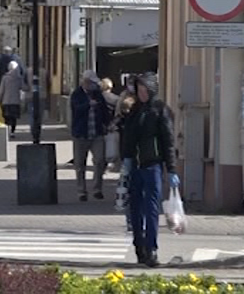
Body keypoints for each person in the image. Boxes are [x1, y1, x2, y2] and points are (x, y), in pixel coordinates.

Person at [121, 72, 179, 267]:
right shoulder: (134, 110)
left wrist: (171, 169)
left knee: (151, 208)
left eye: (145, 90)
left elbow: (168, 141)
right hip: (136, 167)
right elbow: (127, 138)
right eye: (139, 90)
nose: (142, 94)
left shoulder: (160, 110)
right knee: (135, 209)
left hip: (153, 165)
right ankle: (139, 248)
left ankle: (151, 249)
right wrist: (126, 160)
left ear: (152, 90)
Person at [71, 69, 111, 201]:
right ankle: (81, 191)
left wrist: (108, 123)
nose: (93, 86)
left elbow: (104, 110)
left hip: (97, 133)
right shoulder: (76, 94)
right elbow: (75, 110)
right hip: (81, 134)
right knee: (79, 164)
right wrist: (88, 105)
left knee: (100, 160)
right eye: (91, 83)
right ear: (85, 82)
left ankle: (97, 189)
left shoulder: (98, 94)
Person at [113, 92, 137, 231]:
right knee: (128, 190)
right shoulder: (123, 120)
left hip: (130, 158)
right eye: (124, 109)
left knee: (129, 190)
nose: (126, 112)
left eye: (128, 109)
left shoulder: (130, 121)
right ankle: (130, 220)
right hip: (127, 158)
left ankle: (131, 220)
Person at [0, 53, 26, 139]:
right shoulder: (18, 78)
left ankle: (7, 131)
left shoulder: (5, 78)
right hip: (15, 101)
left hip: (6, 101)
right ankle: (12, 132)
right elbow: (23, 87)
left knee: (6, 117)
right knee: (14, 118)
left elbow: (2, 90)